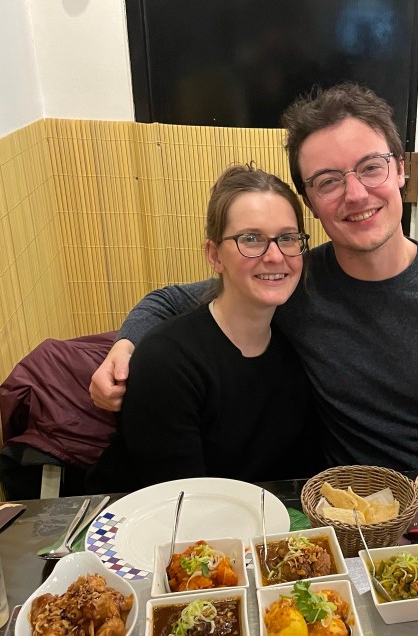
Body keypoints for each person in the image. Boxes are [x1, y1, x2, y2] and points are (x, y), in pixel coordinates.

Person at [91, 84, 418, 472]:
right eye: (328, 181)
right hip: (332, 509)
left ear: (401, 170)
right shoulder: (293, 279)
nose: (356, 194)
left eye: (371, 167)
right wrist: (125, 347)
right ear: (310, 202)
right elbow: (170, 301)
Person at [87, 166, 323, 492]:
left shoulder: (293, 353)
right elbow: (182, 502)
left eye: (287, 238)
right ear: (215, 256)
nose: (274, 256)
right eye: (251, 239)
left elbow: (301, 482)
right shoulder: (167, 362)